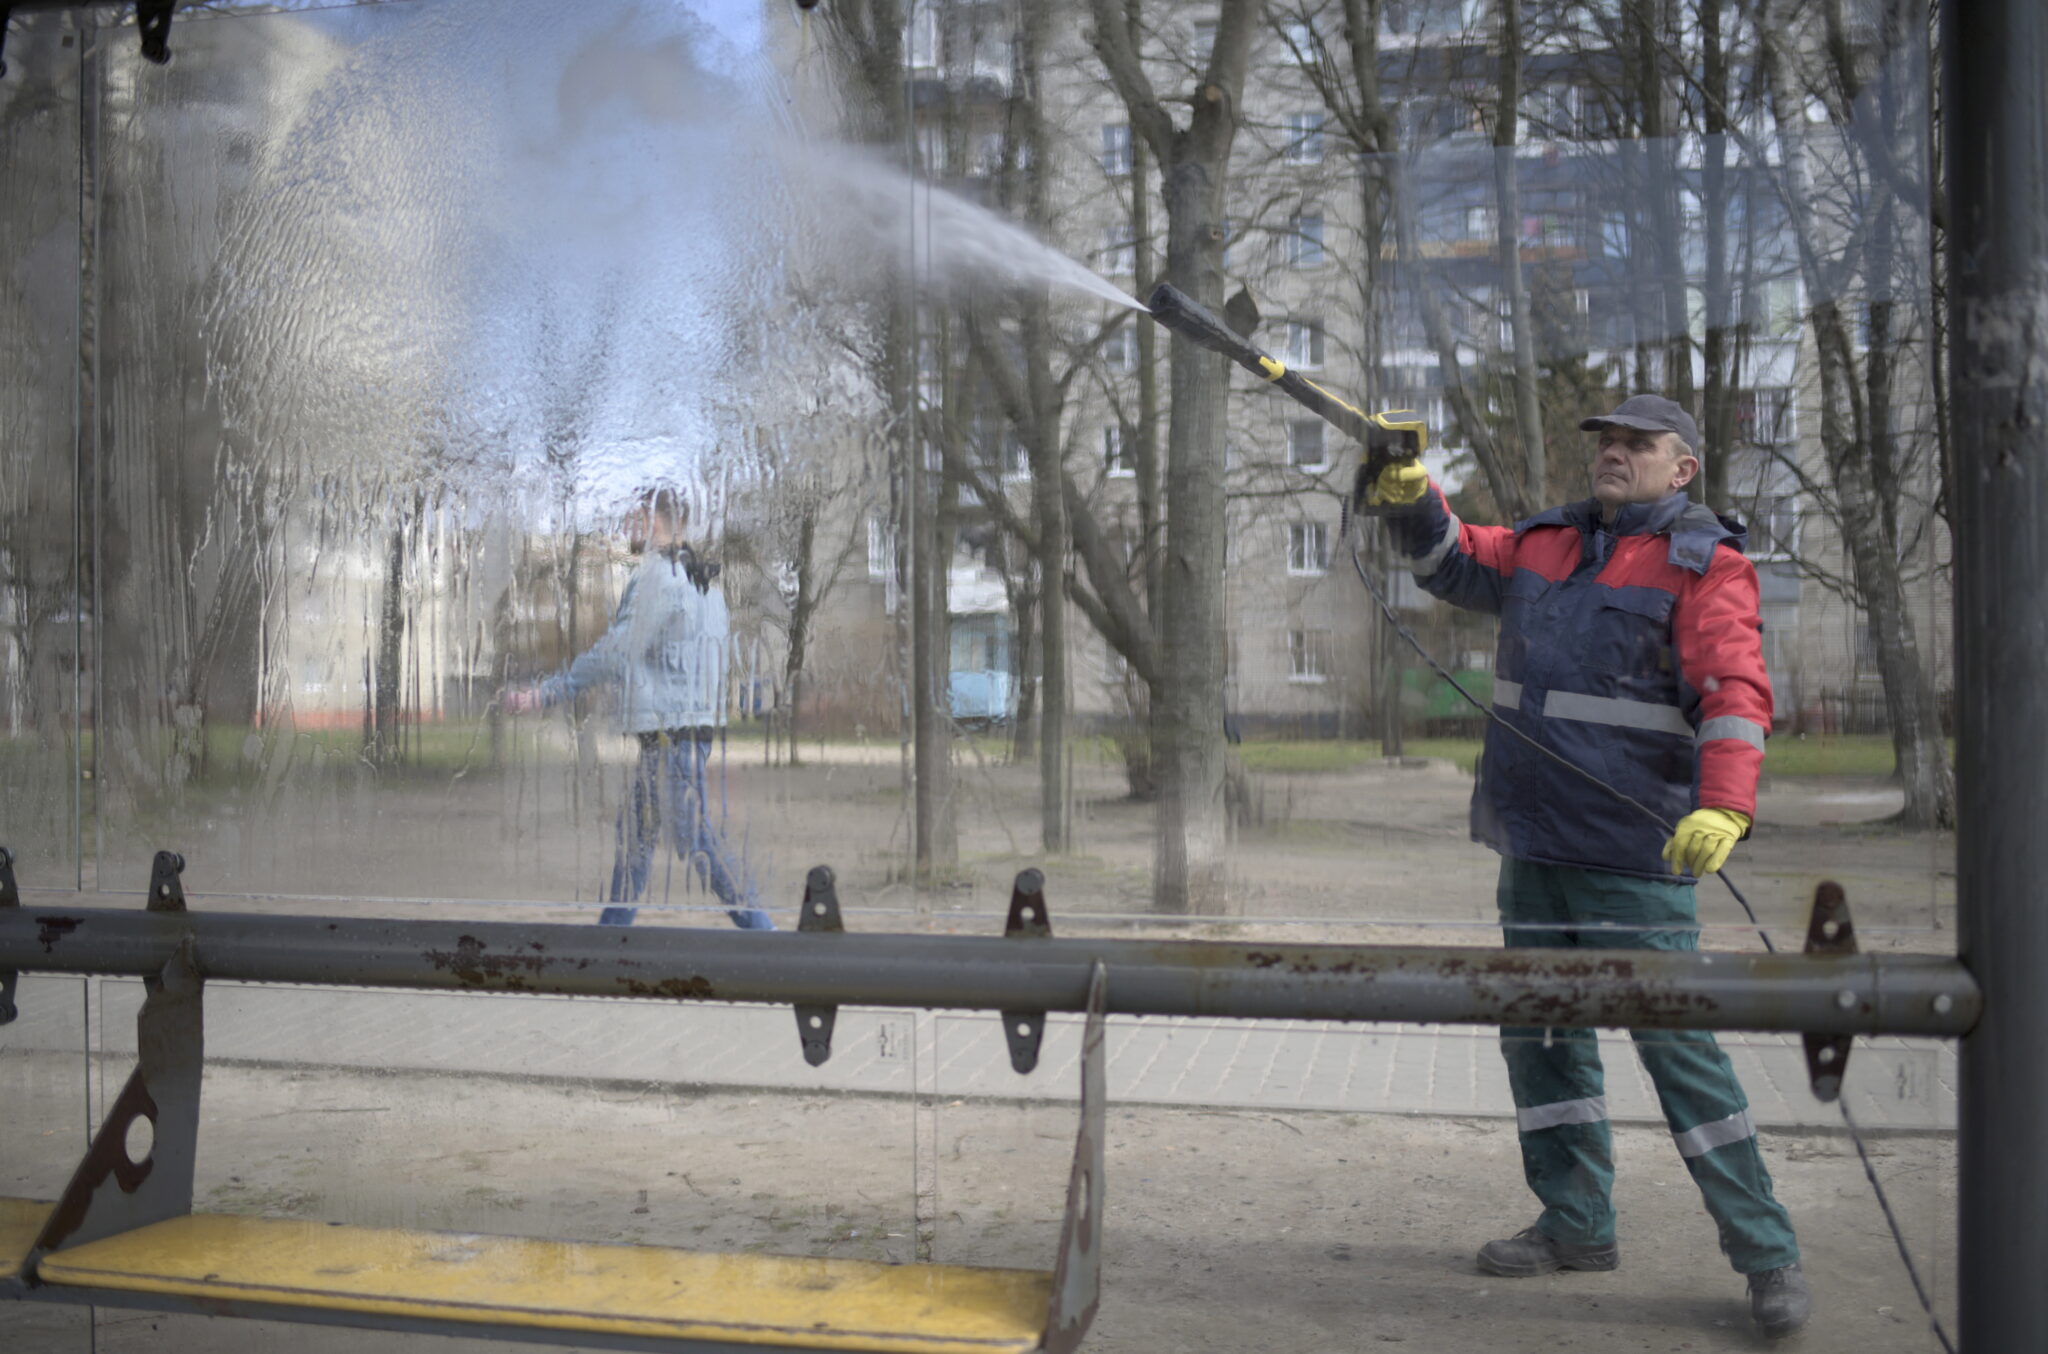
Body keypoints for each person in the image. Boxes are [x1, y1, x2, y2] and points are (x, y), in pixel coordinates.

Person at [1369, 395, 1807, 1338]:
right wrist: (1414, 498)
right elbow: (1450, 562)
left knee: (1678, 1050)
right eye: (1605, 442)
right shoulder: (1545, 544)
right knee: (1543, 1039)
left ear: (1681, 468)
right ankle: (1576, 1225)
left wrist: (1726, 804)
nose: (1612, 454)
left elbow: (1735, 688)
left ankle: (1767, 1252)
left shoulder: (1707, 566)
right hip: (1531, 845)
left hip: (1633, 855)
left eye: (1635, 445)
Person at [506, 487, 773, 932]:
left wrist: (545, 693)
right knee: (637, 837)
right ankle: (611, 934)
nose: (624, 527)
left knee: (694, 838)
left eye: (631, 517)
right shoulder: (701, 580)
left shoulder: (660, 577)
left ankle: (763, 933)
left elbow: (616, 652)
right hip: (686, 730)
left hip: (671, 734)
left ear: (652, 519)